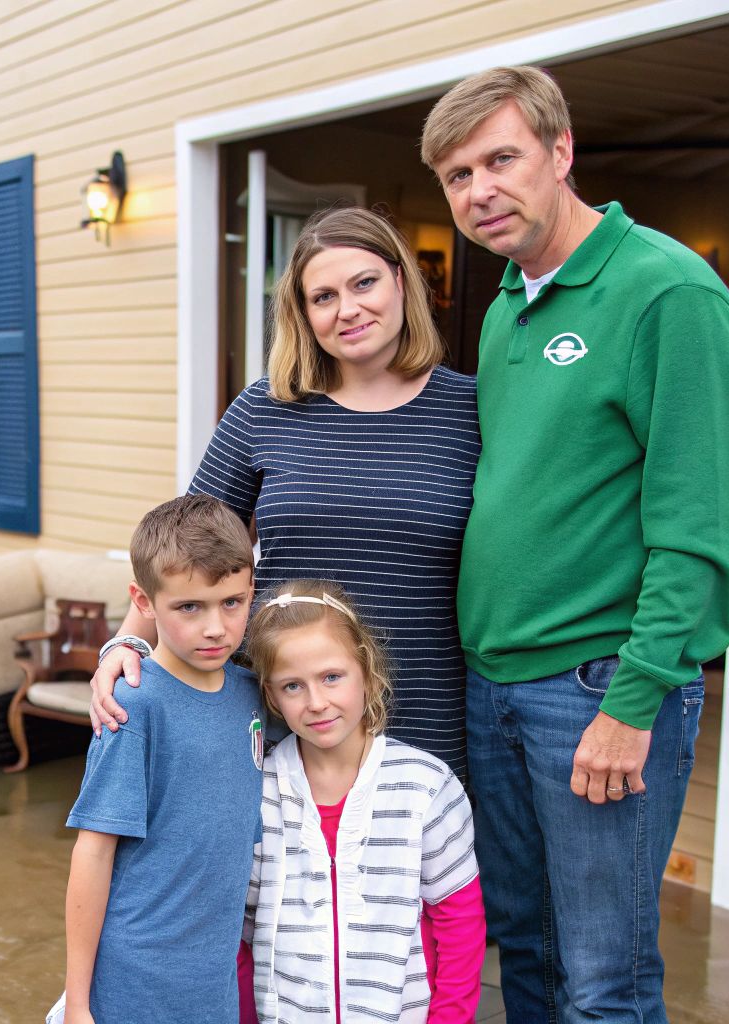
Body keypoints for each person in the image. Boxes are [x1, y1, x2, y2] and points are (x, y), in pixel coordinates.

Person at [420, 66, 729, 1020]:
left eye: (500, 158)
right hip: (494, 688)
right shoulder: (503, 308)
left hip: (597, 687)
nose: (479, 189)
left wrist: (636, 696)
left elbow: (709, 528)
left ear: (561, 152)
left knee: (604, 976)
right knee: (521, 950)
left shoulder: (666, 293)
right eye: (456, 174)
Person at [90, 207, 480, 781]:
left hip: (424, 711)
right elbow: (188, 553)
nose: (347, 309)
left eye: (364, 283)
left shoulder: (470, 411)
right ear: (302, 314)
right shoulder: (264, 410)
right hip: (280, 715)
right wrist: (125, 645)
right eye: (322, 297)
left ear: (402, 281)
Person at [57, 494, 265, 1024]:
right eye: (189, 607)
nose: (215, 627)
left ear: (251, 591)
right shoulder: (134, 703)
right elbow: (94, 851)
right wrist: (78, 1004)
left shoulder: (253, 695)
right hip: (134, 980)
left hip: (213, 985)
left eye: (231, 603)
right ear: (143, 602)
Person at [241, 579, 484, 1024]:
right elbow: (241, 931)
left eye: (332, 677)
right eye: (292, 686)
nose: (317, 702)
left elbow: (459, 922)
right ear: (271, 696)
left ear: (367, 672)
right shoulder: (255, 792)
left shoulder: (427, 787)